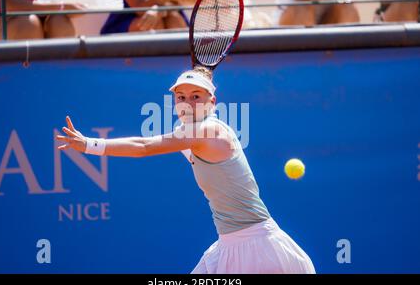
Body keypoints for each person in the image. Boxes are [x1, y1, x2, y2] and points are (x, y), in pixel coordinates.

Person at [55, 66, 316, 274]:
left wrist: (90, 144)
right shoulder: (189, 131)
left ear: (212, 101)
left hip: (259, 249)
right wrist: (199, 77)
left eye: (196, 97)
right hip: (230, 245)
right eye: (181, 97)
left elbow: (144, 145)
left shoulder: (208, 131)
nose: (188, 103)